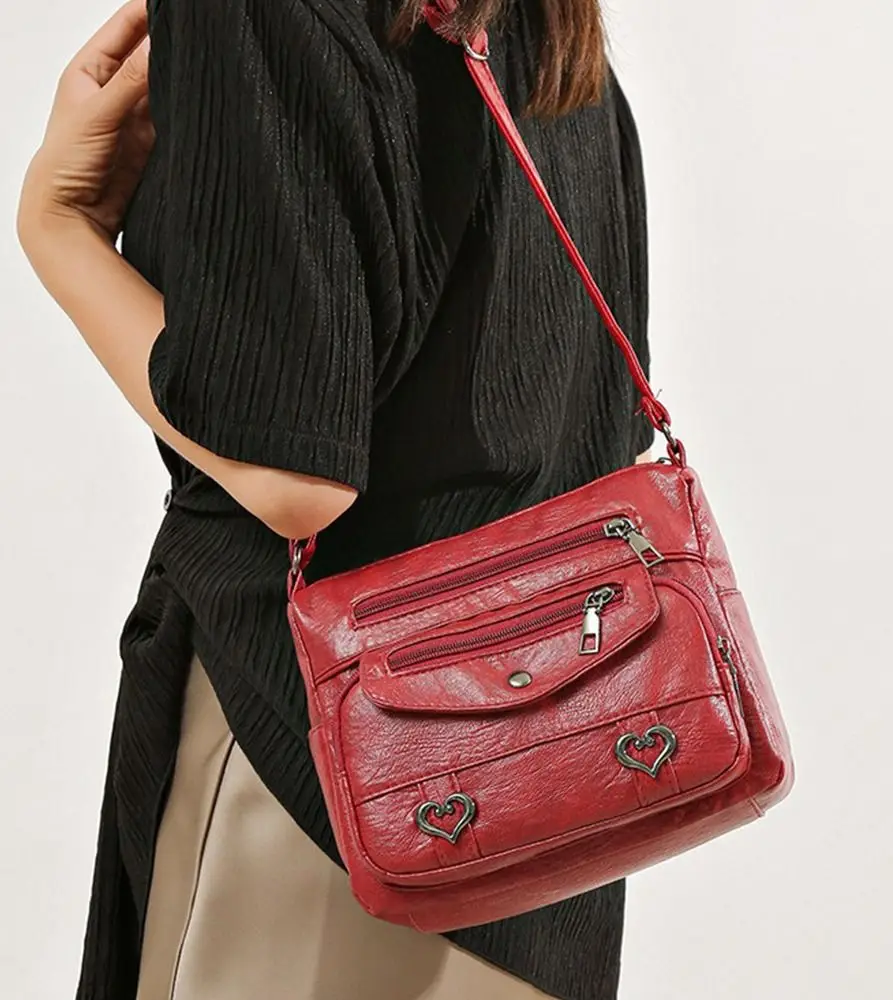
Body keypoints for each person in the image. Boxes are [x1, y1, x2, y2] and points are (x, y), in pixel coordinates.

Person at [18, 0, 658, 997]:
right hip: (566, 796)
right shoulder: (547, 23)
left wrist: (57, 228)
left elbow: (292, 476)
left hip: (328, 788)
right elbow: (595, 420)